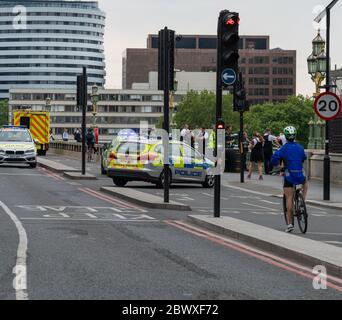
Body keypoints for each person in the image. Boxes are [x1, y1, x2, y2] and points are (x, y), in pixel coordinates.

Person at [272, 126, 308, 233]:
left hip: (289, 175)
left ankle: (290, 224)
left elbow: (274, 160)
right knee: (305, 183)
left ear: (286, 137)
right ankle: (302, 202)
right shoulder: (300, 147)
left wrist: (276, 166)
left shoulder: (283, 148)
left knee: (289, 197)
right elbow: (303, 158)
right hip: (300, 174)